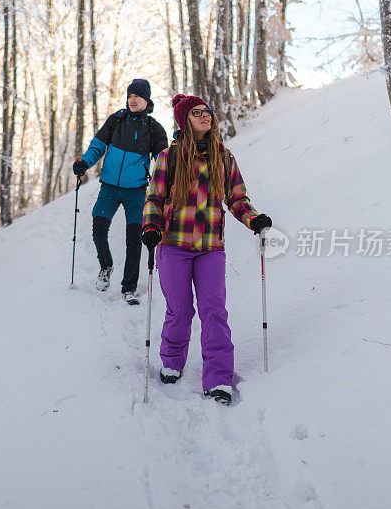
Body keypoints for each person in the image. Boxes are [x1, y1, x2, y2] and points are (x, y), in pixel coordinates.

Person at [141, 94, 272, 405]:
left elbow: (237, 199)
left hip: (211, 248)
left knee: (215, 313)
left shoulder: (224, 159)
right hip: (173, 245)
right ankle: (172, 362)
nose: (205, 116)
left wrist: (254, 219)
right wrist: (150, 227)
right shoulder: (168, 157)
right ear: (185, 120)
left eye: (207, 111)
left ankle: (218, 380)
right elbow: (154, 200)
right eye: (197, 112)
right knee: (181, 310)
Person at [73, 79, 168, 305]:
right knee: (98, 229)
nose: (132, 100)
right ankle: (106, 266)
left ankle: (129, 288)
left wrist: (166, 179)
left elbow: (163, 161)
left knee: (134, 240)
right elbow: (97, 145)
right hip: (109, 188)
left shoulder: (154, 128)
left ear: (147, 99)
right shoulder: (116, 120)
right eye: (130, 96)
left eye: (137, 96)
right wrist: (84, 163)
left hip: (136, 192)